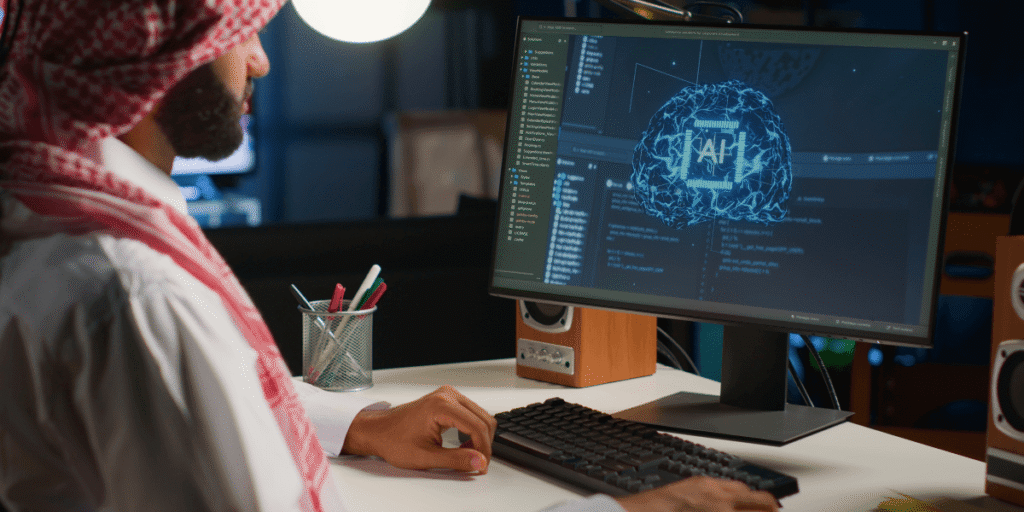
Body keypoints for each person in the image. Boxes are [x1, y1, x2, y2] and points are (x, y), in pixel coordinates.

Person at [0, 1, 779, 511]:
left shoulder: (41, 221)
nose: (261, 62)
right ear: (156, 50)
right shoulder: (133, 295)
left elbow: (191, 405)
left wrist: (362, 423)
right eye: (238, 31)